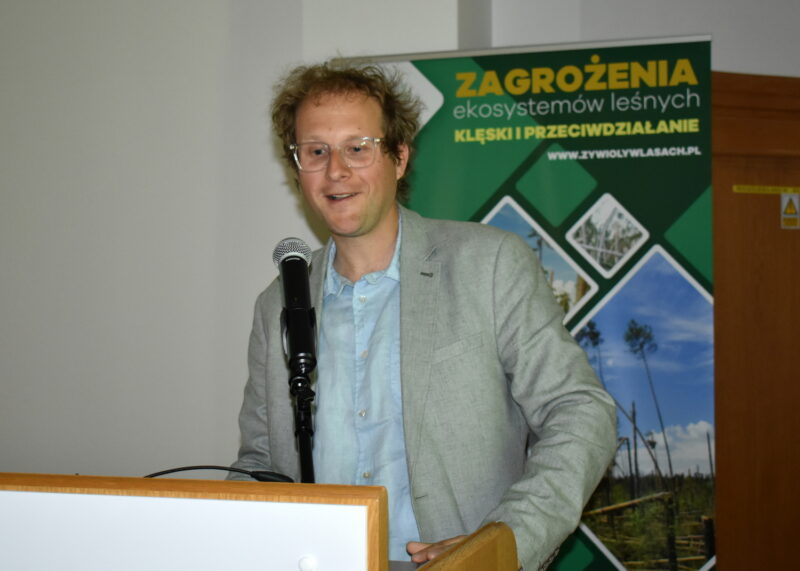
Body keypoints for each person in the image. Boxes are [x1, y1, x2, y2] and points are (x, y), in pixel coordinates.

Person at [229, 61, 617, 569]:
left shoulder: (487, 265)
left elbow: (581, 410)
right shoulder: (279, 303)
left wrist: (505, 541)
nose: (336, 170)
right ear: (297, 167)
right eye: (316, 151)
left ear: (399, 157)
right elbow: (260, 463)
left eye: (358, 148)